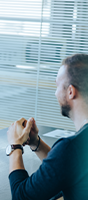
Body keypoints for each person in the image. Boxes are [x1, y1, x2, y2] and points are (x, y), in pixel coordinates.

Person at [6, 53, 88, 200]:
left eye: (57, 86)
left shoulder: (72, 147)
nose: (55, 93)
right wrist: (35, 142)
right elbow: (65, 168)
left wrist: (14, 146)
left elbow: (21, 197)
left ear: (70, 91)